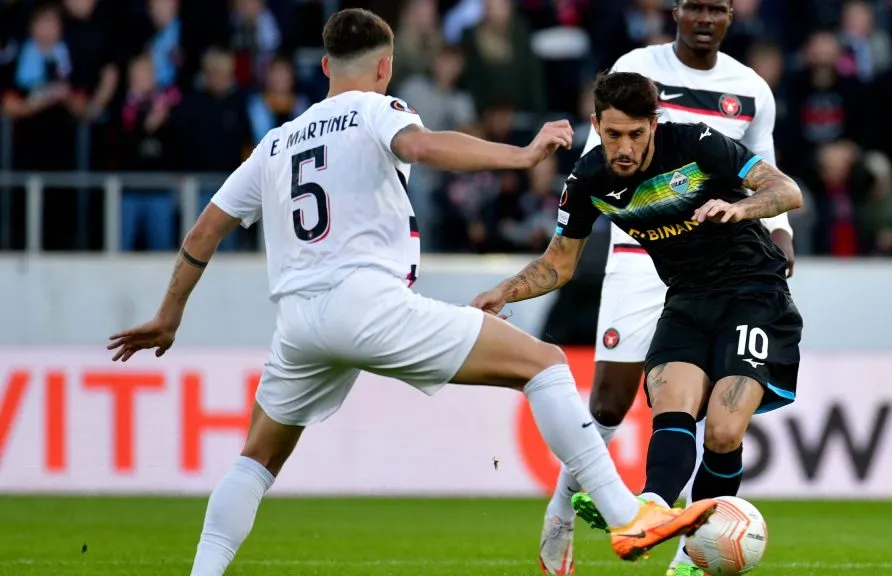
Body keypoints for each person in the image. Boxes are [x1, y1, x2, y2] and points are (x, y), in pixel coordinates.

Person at [105, 9, 717, 576]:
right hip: (367, 303)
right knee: (546, 366)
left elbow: (204, 230)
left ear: (323, 67)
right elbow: (421, 146)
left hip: (297, 322)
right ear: (384, 67)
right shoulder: (375, 108)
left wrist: (168, 316)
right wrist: (522, 154)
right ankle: (626, 516)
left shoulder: (275, 143)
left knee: (255, 460)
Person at [471, 71, 803, 576]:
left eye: (636, 134)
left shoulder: (696, 144)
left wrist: (739, 208)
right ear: (596, 125)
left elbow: (787, 190)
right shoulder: (588, 180)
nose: (623, 148)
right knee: (670, 401)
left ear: (654, 123)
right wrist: (501, 292)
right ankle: (647, 509)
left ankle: (693, 560)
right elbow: (558, 264)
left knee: (722, 428)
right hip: (687, 298)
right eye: (612, 134)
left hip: (753, 293)